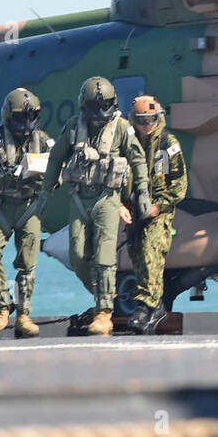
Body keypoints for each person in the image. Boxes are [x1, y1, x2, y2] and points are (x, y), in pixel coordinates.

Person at [38, 77, 150, 337]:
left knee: (104, 255)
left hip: (107, 198)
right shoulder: (73, 128)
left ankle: (104, 312)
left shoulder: (122, 128)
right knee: (77, 255)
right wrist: (45, 193)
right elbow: (56, 158)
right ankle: (104, 293)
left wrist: (142, 190)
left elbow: (138, 159)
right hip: (79, 197)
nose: (99, 117)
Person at [0, 87, 52, 337]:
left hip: (30, 207)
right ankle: (2, 305)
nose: (25, 125)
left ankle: (24, 314)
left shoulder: (42, 140)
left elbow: (57, 166)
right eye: (20, 118)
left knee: (27, 263)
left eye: (30, 118)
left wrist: (46, 177)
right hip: (2, 208)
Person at [119, 94, 188, 335]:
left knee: (151, 250)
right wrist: (120, 206)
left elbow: (179, 185)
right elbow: (116, 178)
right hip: (135, 209)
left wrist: (158, 207)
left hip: (159, 211)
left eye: (150, 120)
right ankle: (155, 306)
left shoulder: (168, 144)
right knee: (136, 253)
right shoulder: (126, 144)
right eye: (141, 120)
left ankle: (145, 306)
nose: (146, 125)